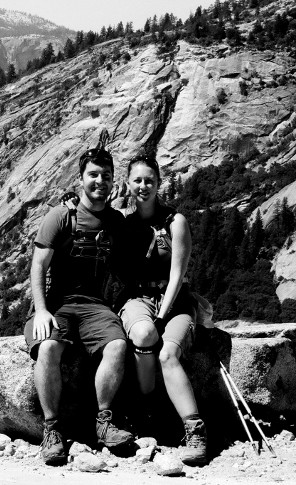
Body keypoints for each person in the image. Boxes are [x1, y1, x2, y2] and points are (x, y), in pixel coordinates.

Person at [25, 145, 134, 466]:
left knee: (116, 346)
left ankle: (103, 422)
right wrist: (42, 310)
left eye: (107, 176)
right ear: (82, 178)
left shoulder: (116, 221)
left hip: (96, 307)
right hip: (57, 304)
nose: (100, 181)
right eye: (93, 175)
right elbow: (37, 267)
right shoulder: (61, 216)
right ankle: (52, 429)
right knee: (48, 349)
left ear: (114, 181)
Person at [120, 154, 207, 466]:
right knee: (142, 335)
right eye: (137, 180)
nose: (143, 186)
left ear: (159, 183)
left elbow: (177, 275)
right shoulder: (125, 224)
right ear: (128, 184)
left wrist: (161, 316)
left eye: (149, 180)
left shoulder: (175, 222)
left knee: (168, 354)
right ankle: (148, 410)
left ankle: (195, 429)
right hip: (138, 301)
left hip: (175, 301)